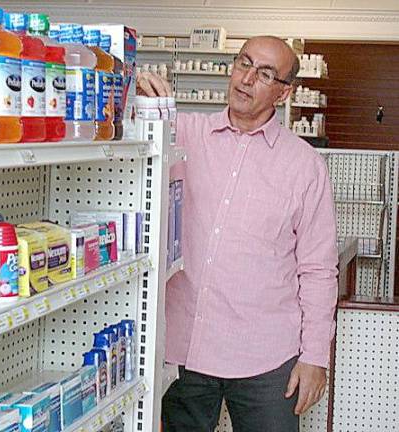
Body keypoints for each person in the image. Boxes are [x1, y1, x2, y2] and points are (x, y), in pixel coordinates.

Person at [138, 36, 338, 432]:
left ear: (284, 92)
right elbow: (120, 129)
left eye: (264, 73)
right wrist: (136, 91)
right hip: (184, 348)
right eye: (243, 63)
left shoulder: (305, 166)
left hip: (267, 358)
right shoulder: (181, 133)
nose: (246, 79)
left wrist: (315, 356)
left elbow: (318, 269)